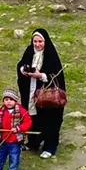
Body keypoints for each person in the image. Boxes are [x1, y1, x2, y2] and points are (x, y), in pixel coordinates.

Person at [17, 29, 65, 158]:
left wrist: (41, 75)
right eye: (35, 41)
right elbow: (21, 64)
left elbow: (57, 76)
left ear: (45, 41)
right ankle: (33, 143)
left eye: (40, 41)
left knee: (49, 119)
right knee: (32, 116)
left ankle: (50, 146)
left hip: (47, 95)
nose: (37, 44)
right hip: (31, 91)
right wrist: (23, 70)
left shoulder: (51, 55)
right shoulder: (29, 51)